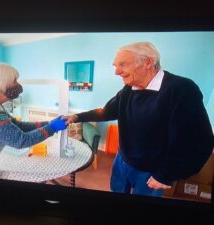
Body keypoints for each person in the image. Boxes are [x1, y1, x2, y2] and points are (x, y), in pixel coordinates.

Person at [64, 42, 214, 197]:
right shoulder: (129, 89)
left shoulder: (181, 89)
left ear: (148, 62)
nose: (116, 72)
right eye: (115, 66)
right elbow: (106, 112)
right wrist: (78, 116)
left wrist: (166, 174)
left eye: (122, 64)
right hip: (122, 160)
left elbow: (200, 140)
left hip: (152, 170)